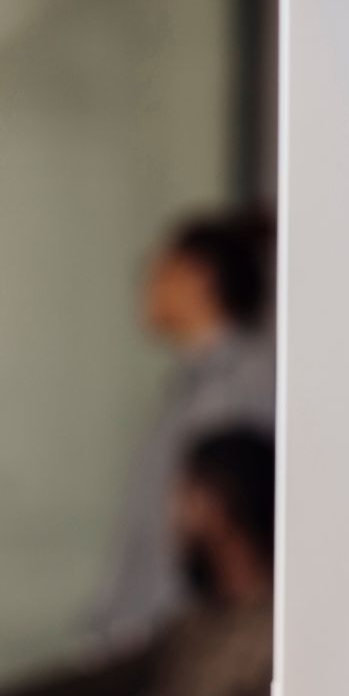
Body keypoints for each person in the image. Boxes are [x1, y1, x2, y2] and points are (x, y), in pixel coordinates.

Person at [0, 428, 277, 696]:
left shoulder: (274, 640)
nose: (173, 518)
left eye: (183, 497)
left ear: (213, 505)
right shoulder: (197, 628)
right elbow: (94, 687)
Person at [89, 210, 276, 656]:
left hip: (185, 643)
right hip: (155, 635)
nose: (147, 287)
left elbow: (220, 533)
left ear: (199, 277)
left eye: (158, 270)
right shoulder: (190, 388)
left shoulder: (242, 388)